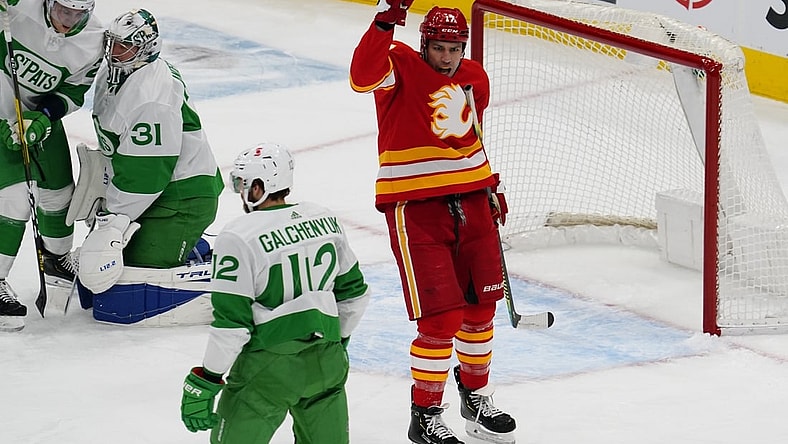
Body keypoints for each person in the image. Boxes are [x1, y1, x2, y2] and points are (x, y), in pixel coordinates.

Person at [350, 3, 516, 444]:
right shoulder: (398, 67)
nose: (447, 56)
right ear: (424, 43)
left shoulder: (474, 77)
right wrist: (385, 20)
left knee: (481, 311)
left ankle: (475, 399)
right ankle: (424, 414)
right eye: (439, 47)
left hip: (474, 203)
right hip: (418, 210)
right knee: (441, 321)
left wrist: (490, 184)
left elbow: (470, 137)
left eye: (455, 48)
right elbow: (360, 75)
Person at [179, 143, 370, 443]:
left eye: (242, 184)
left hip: (268, 369)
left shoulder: (238, 236)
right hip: (327, 362)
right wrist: (336, 342)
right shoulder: (324, 218)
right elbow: (355, 294)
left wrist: (208, 377)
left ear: (259, 187)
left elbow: (233, 325)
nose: (241, 191)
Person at [77, 8, 223, 307]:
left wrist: (113, 220)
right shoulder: (119, 70)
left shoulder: (152, 95)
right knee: (97, 280)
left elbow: (147, 175)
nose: (114, 53)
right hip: (150, 194)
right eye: (112, 43)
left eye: (124, 46)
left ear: (146, 48)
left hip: (182, 199)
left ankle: (219, 269)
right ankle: (187, 245)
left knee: (122, 286)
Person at [0, 0, 103, 330]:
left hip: (36, 118)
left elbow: (74, 90)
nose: (68, 21)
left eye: (77, 14)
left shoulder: (94, 39)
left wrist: (42, 118)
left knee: (60, 195)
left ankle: (57, 261)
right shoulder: (17, 6)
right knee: (16, 199)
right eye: (62, 11)